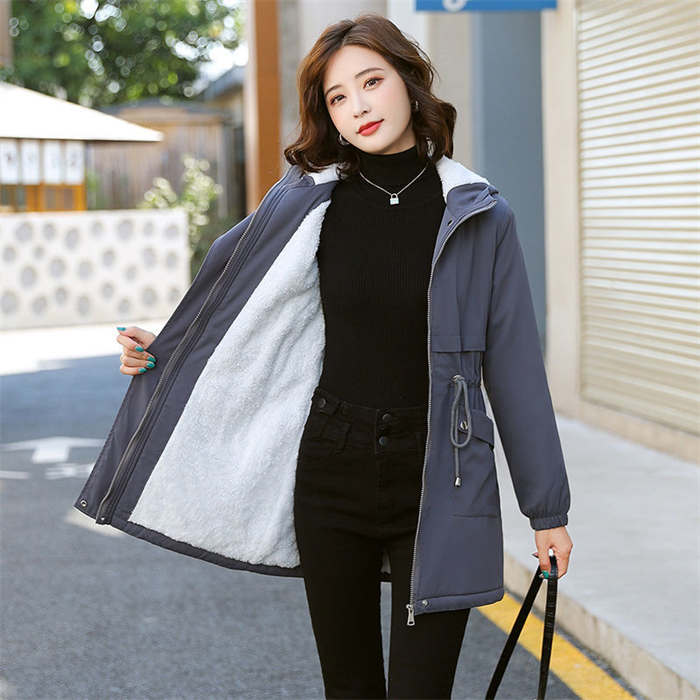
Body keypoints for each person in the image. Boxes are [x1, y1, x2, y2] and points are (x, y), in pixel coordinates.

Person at [95, 12, 572, 700]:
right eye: (338, 96)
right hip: (331, 471)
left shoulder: (478, 213)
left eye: (371, 82)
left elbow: (515, 367)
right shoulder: (307, 203)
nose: (358, 106)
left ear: (409, 80)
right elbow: (237, 308)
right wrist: (159, 352)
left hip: (440, 476)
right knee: (349, 689)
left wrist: (547, 510)